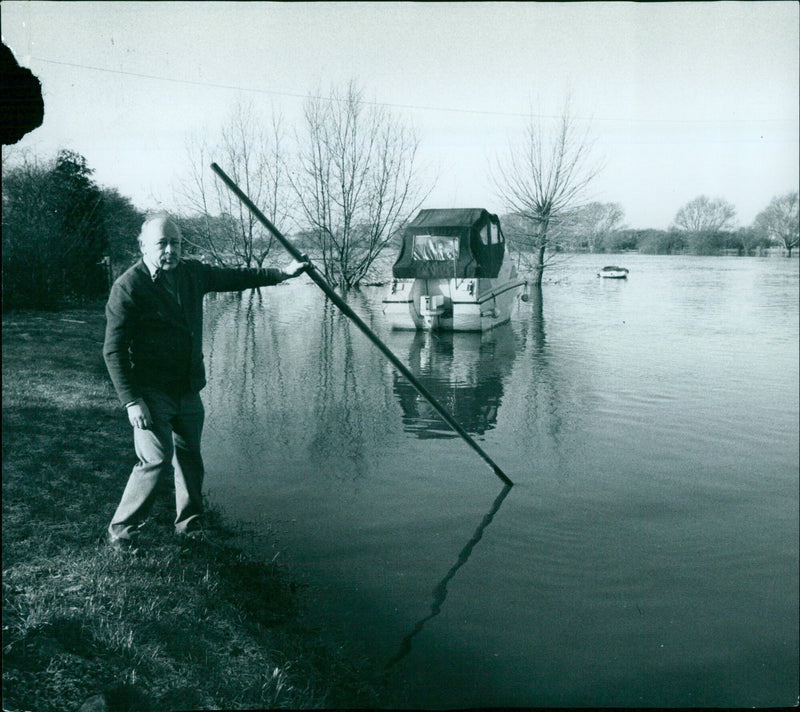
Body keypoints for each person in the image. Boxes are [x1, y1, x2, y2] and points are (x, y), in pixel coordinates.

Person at [103, 212, 307, 551]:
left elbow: (236, 277)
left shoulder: (192, 273)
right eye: (162, 244)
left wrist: (282, 273)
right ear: (143, 246)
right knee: (155, 458)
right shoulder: (128, 287)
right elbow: (113, 350)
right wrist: (131, 400)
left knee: (190, 457)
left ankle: (191, 525)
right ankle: (122, 532)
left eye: (176, 243)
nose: (170, 250)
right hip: (151, 391)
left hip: (187, 388)